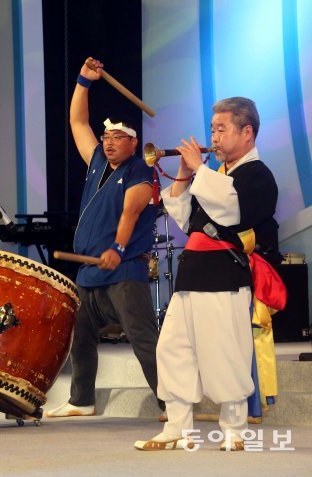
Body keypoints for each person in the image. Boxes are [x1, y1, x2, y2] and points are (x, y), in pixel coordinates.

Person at [134, 97, 282, 451]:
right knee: (173, 350)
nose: (213, 138)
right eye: (212, 129)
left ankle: (234, 430)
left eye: (222, 129)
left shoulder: (258, 174)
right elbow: (189, 221)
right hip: (192, 275)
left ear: (247, 133)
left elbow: (231, 211)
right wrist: (185, 176)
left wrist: (199, 169)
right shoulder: (214, 176)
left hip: (225, 277)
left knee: (225, 352)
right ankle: (177, 427)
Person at [46, 57, 164, 418]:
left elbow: (131, 211)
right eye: (107, 137)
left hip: (123, 269)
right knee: (80, 337)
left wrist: (118, 247)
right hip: (89, 272)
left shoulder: (141, 169)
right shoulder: (97, 160)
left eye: (118, 138)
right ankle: (82, 400)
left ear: (134, 143)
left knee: (143, 339)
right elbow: (76, 121)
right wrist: (83, 81)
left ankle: (170, 403)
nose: (109, 143)